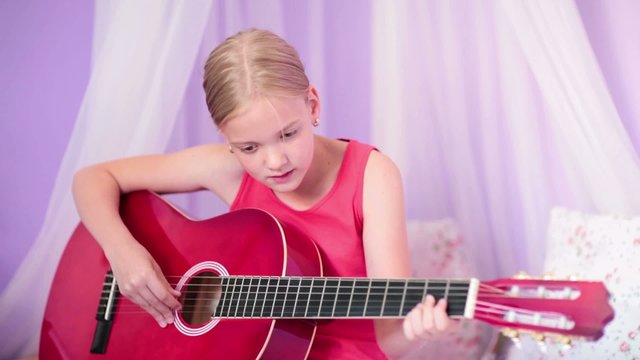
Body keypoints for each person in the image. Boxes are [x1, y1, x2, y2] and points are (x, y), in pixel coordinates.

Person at [72, 28, 454, 359]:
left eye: (288, 134)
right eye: (250, 147)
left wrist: (417, 330)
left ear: (313, 105)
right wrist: (122, 253)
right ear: (226, 139)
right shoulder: (227, 168)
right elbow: (93, 178)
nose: (275, 161)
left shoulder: (372, 176)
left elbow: (390, 337)